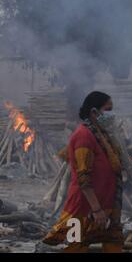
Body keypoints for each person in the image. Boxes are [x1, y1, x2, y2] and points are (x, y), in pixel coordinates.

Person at [43, 91, 124, 253]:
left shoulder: (101, 134)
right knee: (76, 246)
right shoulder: (83, 137)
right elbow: (83, 178)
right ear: (94, 112)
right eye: (108, 110)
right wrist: (97, 210)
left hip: (107, 203)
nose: (111, 115)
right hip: (84, 206)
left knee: (113, 243)